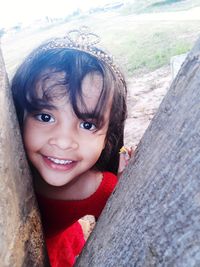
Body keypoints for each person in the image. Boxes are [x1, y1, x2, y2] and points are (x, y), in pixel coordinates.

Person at [11, 26, 128, 267]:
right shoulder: (8, 169)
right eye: (45, 117)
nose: (63, 142)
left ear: (109, 135)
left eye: (87, 124)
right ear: (17, 115)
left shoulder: (99, 188)